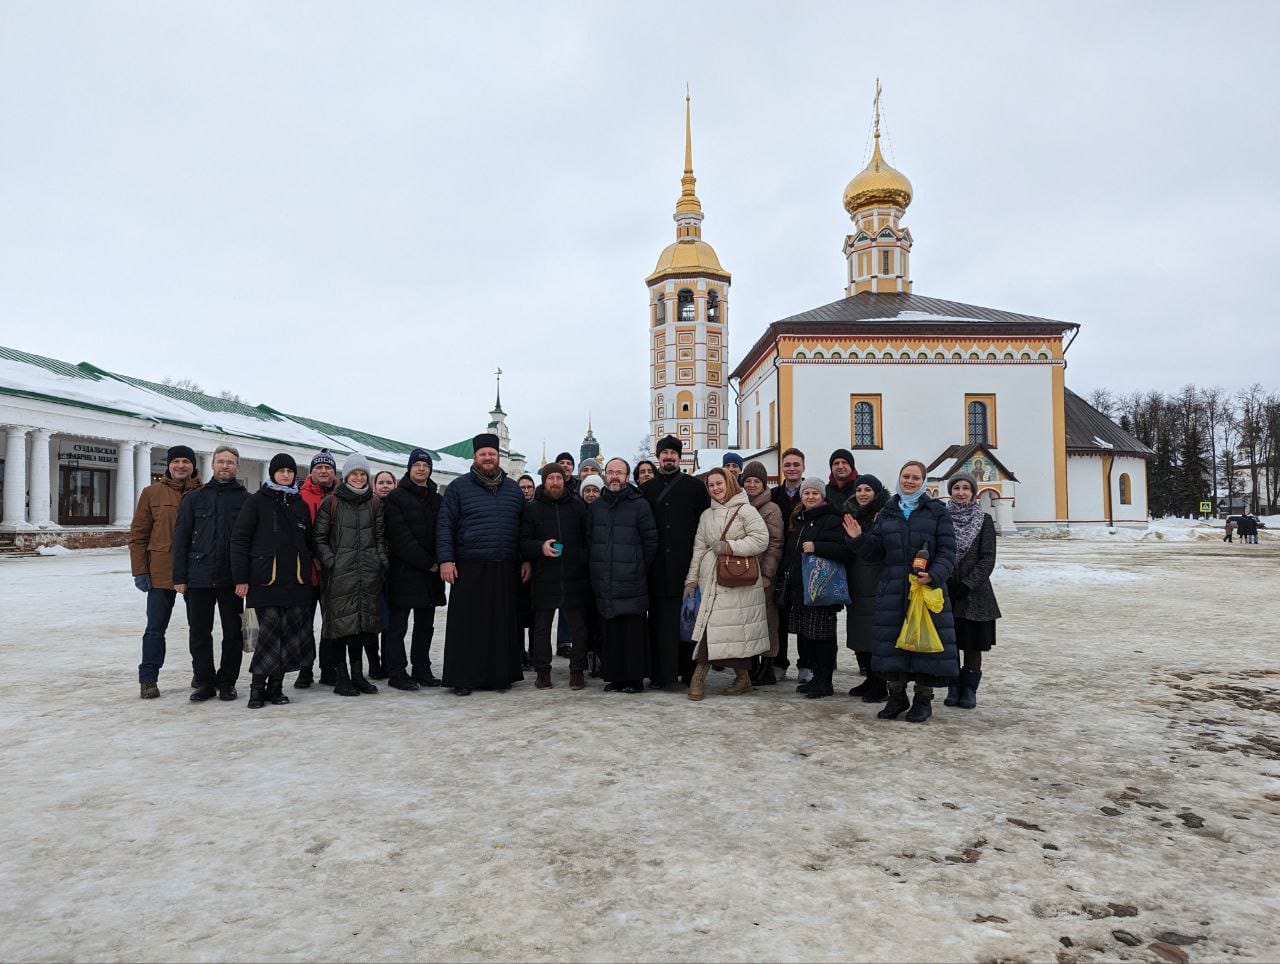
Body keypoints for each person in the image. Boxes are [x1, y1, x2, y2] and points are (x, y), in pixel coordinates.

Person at [846, 460, 958, 723]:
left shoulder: (936, 512)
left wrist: (935, 574)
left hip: (925, 587)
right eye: (905, 476)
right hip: (893, 588)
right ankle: (897, 697)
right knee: (892, 644)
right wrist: (859, 539)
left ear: (923, 481)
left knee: (924, 644)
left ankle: (922, 699)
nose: (909, 481)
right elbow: (876, 551)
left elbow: (948, 550)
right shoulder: (888, 511)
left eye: (915, 478)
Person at [437, 433, 527, 696]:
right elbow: (445, 525)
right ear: (475, 458)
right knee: (467, 625)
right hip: (469, 564)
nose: (488, 458)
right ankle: (463, 678)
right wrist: (446, 559)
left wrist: (524, 560)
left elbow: (522, 529)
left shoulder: (513, 489)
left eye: (492, 454)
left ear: (498, 457)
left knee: (500, 623)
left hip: (504, 564)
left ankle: (500, 676)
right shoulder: (458, 487)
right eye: (482, 454)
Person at [230, 453, 315, 709]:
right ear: (273, 473)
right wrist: (241, 578)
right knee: (263, 637)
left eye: (290, 471)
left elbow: (308, 542)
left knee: (288, 637)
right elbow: (240, 540)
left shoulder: (299, 503)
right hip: (264, 581)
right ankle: (257, 689)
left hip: (296, 583)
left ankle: (276, 687)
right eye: (281, 470)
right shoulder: (256, 501)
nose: (286, 474)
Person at [683, 468, 771, 700]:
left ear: (729, 483)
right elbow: (699, 549)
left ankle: (698, 680)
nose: (715, 489)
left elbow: (761, 540)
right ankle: (744, 679)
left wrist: (730, 546)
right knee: (722, 632)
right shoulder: (707, 515)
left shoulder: (746, 510)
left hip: (737, 582)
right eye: (710, 485)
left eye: (719, 483)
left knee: (726, 632)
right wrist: (691, 580)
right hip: (710, 580)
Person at [173, 444, 251, 702]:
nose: (225, 466)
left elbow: (253, 542)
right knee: (199, 632)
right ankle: (204, 682)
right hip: (199, 576)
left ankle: (227, 682)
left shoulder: (246, 500)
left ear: (237, 466)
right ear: (212, 465)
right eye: (221, 461)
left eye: (230, 462)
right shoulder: (195, 498)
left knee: (233, 633)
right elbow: (181, 539)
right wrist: (180, 577)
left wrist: (246, 578)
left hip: (232, 579)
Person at [129, 444, 203, 699]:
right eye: (176, 461)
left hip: (197, 570)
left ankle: (201, 673)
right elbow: (138, 535)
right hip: (161, 569)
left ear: (193, 465)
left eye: (186, 461)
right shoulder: (151, 493)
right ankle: (148, 678)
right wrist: (140, 570)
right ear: (168, 465)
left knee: (199, 626)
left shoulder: (204, 493)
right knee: (155, 627)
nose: (181, 465)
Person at [314, 454, 388, 696]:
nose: (358, 477)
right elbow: (319, 538)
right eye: (354, 473)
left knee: (360, 628)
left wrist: (380, 562)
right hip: (339, 575)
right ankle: (342, 678)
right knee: (338, 629)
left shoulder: (374, 503)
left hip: (367, 574)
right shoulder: (331, 502)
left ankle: (358, 676)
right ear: (345, 476)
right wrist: (331, 562)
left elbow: (380, 538)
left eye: (362, 474)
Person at [775, 477, 854, 699]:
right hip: (802, 588)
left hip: (822, 590)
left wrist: (817, 547)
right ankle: (816, 679)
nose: (810, 497)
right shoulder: (800, 518)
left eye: (815, 494)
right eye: (807, 493)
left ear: (822, 496)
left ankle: (825, 681)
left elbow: (845, 550)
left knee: (823, 638)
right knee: (808, 636)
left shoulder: (831, 519)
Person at [642, 435, 711, 688]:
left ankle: (689, 672)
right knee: (660, 623)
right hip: (658, 569)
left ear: (680, 458)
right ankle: (662, 675)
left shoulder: (694, 488)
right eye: (664, 453)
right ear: (658, 457)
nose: (669, 457)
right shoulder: (647, 490)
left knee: (689, 622)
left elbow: (705, 526)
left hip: (687, 567)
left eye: (673, 453)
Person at [520, 462, 593, 690]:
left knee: (578, 628)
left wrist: (580, 557)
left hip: (574, 575)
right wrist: (539, 547)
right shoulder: (533, 509)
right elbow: (522, 542)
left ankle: (577, 670)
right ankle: (542, 671)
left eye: (558, 479)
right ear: (544, 481)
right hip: (544, 575)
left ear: (564, 481)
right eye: (550, 478)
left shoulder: (577, 506)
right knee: (541, 628)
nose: (555, 482)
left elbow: (587, 539)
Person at [589, 458, 658, 693]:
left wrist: (637, 567)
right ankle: (616, 676)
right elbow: (590, 541)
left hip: (631, 579)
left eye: (620, 472)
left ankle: (634, 678)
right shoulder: (597, 506)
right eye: (611, 472)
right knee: (611, 631)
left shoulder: (639, 504)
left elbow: (651, 541)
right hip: (605, 579)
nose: (615, 476)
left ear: (628, 476)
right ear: (605, 476)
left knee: (632, 632)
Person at [383, 448, 447, 690]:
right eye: (417, 465)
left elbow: (443, 532)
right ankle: (397, 672)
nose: (422, 469)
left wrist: (441, 559)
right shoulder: (396, 498)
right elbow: (400, 538)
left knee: (425, 625)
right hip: (404, 573)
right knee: (398, 626)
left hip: (431, 575)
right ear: (409, 468)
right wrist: (430, 563)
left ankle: (422, 668)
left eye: (426, 465)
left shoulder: (436, 498)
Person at [943, 473, 1001, 710]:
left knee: (973, 644)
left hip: (975, 593)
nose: (961, 492)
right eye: (956, 487)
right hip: (946, 589)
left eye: (966, 488)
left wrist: (968, 583)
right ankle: (953, 686)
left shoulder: (984, 519)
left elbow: (988, 558)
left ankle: (969, 690)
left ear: (974, 492)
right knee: (951, 642)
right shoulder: (942, 518)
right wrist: (944, 578)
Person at [844, 474, 890, 702]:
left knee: (876, 635)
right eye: (859, 489)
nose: (862, 494)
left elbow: (881, 548)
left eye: (868, 490)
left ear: (877, 493)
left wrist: (858, 538)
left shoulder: (884, 515)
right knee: (861, 633)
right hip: (858, 580)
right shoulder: (855, 515)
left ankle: (881, 684)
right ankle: (870, 677)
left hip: (876, 580)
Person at [295, 449, 338, 689]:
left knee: (331, 622)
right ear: (312, 471)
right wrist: (311, 556)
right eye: (319, 467)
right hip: (307, 571)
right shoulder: (300, 496)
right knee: (305, 623)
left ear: (334, 472)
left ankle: (328, 668)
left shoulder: (341, 496)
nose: (323, 471)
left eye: (328, 468)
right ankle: (305, 669)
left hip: (333, 571)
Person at [741, 461, 784, 686]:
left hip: (763, 573)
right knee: (748, 620)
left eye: (756, 481)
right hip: (741, 573)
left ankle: (767, 666)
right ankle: (752, 665)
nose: (752, 485)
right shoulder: (739, 506)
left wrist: (768, 573)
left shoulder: (771, 509)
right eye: (748, 481)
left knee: (767, 620)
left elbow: (775, 543)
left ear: (763, 484)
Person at [770, 447, 807, 682]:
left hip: (804, 562)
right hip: (780, 562)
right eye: (788, 465)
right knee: (779, 615)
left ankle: (806, 664)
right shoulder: (775, 495)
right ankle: (779, 662)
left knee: (804, 616)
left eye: (796, 464)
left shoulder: (812, 492)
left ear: (803, 467)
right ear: (782, 468)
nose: (792, 468)